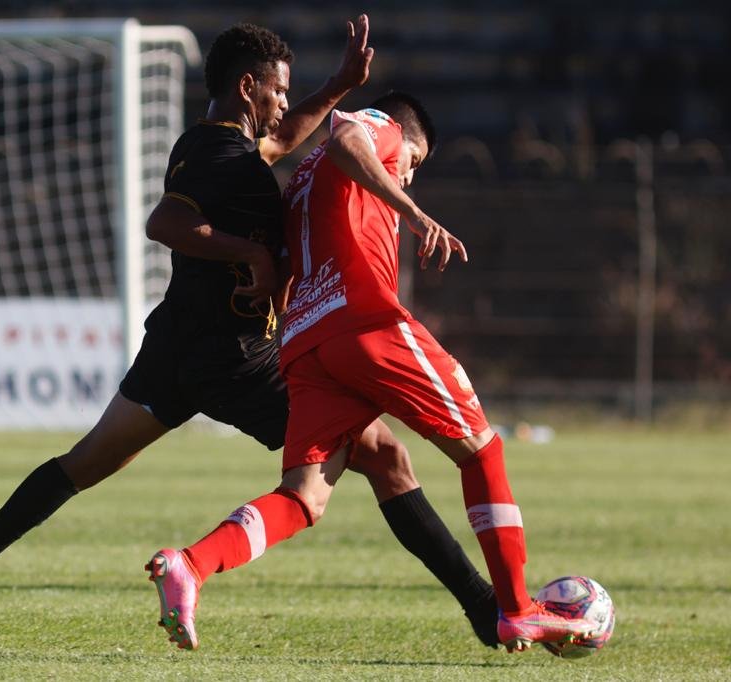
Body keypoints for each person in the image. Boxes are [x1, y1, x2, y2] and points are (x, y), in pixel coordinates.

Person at [0, 18, 497, 649]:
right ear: (248, 87)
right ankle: (485, 607)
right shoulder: (220, 154)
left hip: (176, 350)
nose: (282, 103)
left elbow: (279, 143)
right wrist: (252, 252)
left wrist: (336, 87)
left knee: (83, 463)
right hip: (240, 359)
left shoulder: (221, 150)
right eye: (277, 91)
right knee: (386, 458)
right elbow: (163, 220)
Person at [146, 92, 600, 653]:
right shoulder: (376, 127)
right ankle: (515, 609)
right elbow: (345, 136)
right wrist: (410, 211)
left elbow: (293, 258)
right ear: (403, 137)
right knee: (482, 451)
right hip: (364, 321)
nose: (407, 178)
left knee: (305, 497)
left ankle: (190, 564)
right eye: (414, 163)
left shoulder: (303, 181)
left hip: (306, 342)